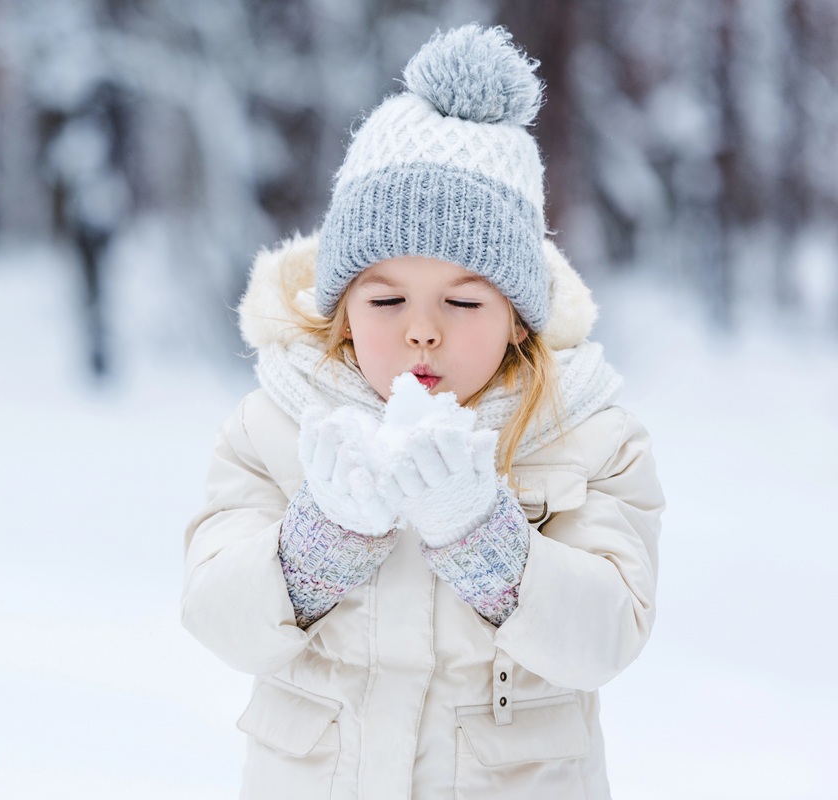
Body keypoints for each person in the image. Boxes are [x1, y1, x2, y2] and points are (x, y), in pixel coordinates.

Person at [181, 24, 664, 799]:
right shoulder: (275, 426)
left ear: (519, 315)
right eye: (387, 298)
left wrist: (486, 538)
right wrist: (321, 540)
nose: (422, 329)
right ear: (341, 309)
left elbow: (608, 634)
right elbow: (215, 613)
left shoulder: (588, 437)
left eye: (464, 300)